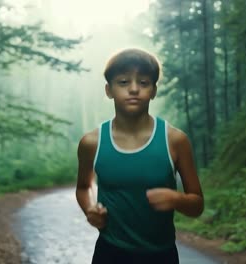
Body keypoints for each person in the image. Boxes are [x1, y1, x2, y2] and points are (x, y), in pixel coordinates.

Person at [76, 48, 204, 264]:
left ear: (153, 90)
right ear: (109, 90)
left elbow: (197, 204)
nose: (134, 89)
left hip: (161, 255)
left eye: (143, 82)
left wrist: (177, 199)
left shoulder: (175, 140)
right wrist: (90, 208)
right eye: (124, 82)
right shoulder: (92, 143)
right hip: (110, 253)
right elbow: (83, 187)